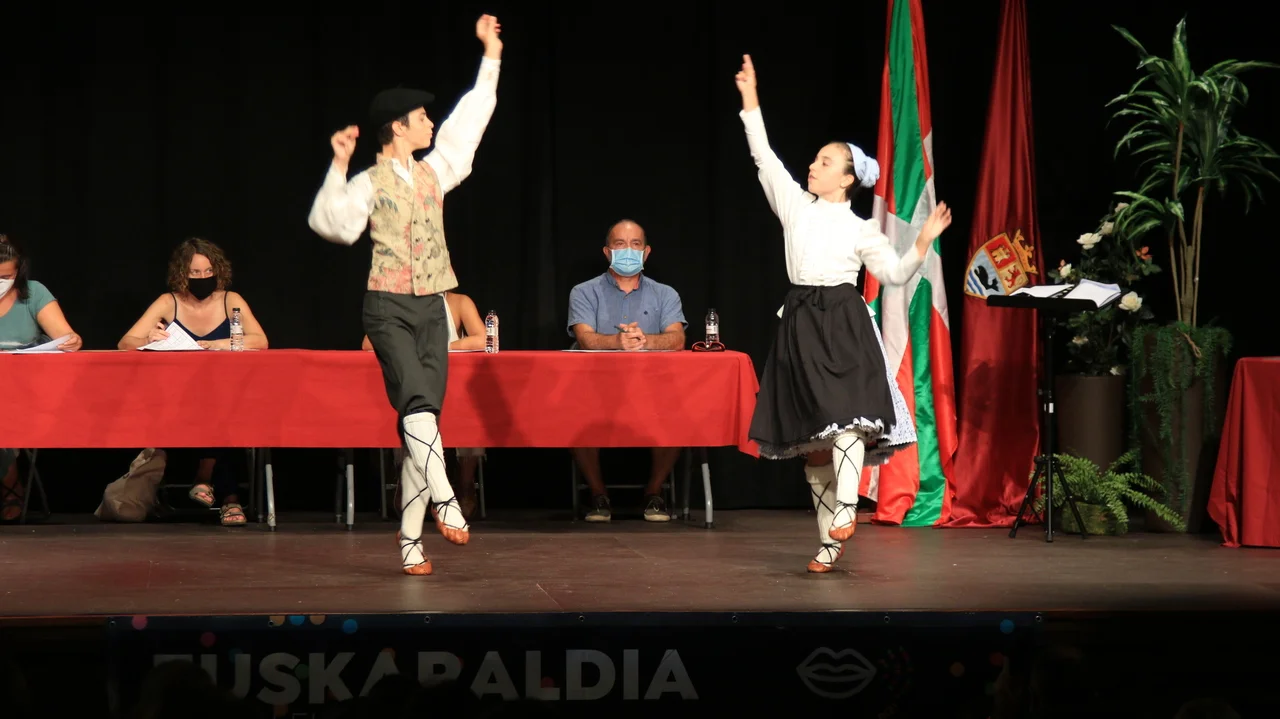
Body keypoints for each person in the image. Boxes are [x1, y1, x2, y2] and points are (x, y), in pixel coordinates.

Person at [734, 55, 952, 572]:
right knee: (814, 444)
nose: (813, 166)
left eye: (825, 162)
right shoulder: (794, 205)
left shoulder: (860, 229)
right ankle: (829, 543)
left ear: (848, 178)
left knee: (849, 422)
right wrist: (749, 96)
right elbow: (763, 154)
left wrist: (921, 243)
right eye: (815, 160)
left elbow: (895, 273)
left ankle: (848, 508)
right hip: (800, 324)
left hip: (844, 322)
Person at [308, 14, 503, 575]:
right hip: (387, 307)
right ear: (397, 127)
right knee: (417, 404)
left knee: (425, 422)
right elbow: (332, 223)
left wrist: (491, 56)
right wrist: (339, 164)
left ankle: (410, 541)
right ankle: (446, 499)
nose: (431, 122)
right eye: (421, 117)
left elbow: (470, 121)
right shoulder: (369, 183)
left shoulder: (434, 172)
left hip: (433, 308)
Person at [117, 237, 269, 526]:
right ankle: (228, 498)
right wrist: (149, 338)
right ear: (182, 273)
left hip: (227, 395)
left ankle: (207, 479)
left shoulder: (230, 300)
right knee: (213, 411)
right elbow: (126, 342)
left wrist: (222, 344)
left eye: (208, 271)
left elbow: (260, 340)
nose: (202, 278)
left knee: (223, 410)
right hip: (178, 399)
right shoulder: (169, 302)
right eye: (195, 273)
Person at [566, 219, 686, 522]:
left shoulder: (665, 294)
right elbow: (585, 338)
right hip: (595, 388)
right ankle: (598, 496)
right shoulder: (584, 291)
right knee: (573, 412)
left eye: (635, 245)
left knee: (680, 412)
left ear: (646, 252)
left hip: (652, 389)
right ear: (607, 252)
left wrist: (646, 340)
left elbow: (677, 339)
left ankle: (654, 493)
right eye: (620, 244)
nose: (628, 251)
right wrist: (617, 342)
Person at [361, 289, 487, 519]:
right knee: (407, 413)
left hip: (453, 386)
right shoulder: (398, 305)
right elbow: (368, 343)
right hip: (415, 382)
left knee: (471, 419)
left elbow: (481, 338)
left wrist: (440, 348)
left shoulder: (459, 302)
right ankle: (407, 482)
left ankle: (465, 483)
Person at [1, 233, 82, 522]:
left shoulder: (34, 293)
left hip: (25, 393)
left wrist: (71, 341)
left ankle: (10, 489)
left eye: (5, 277)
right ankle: (11, 488)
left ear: (18, 272)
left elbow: (67, 336)